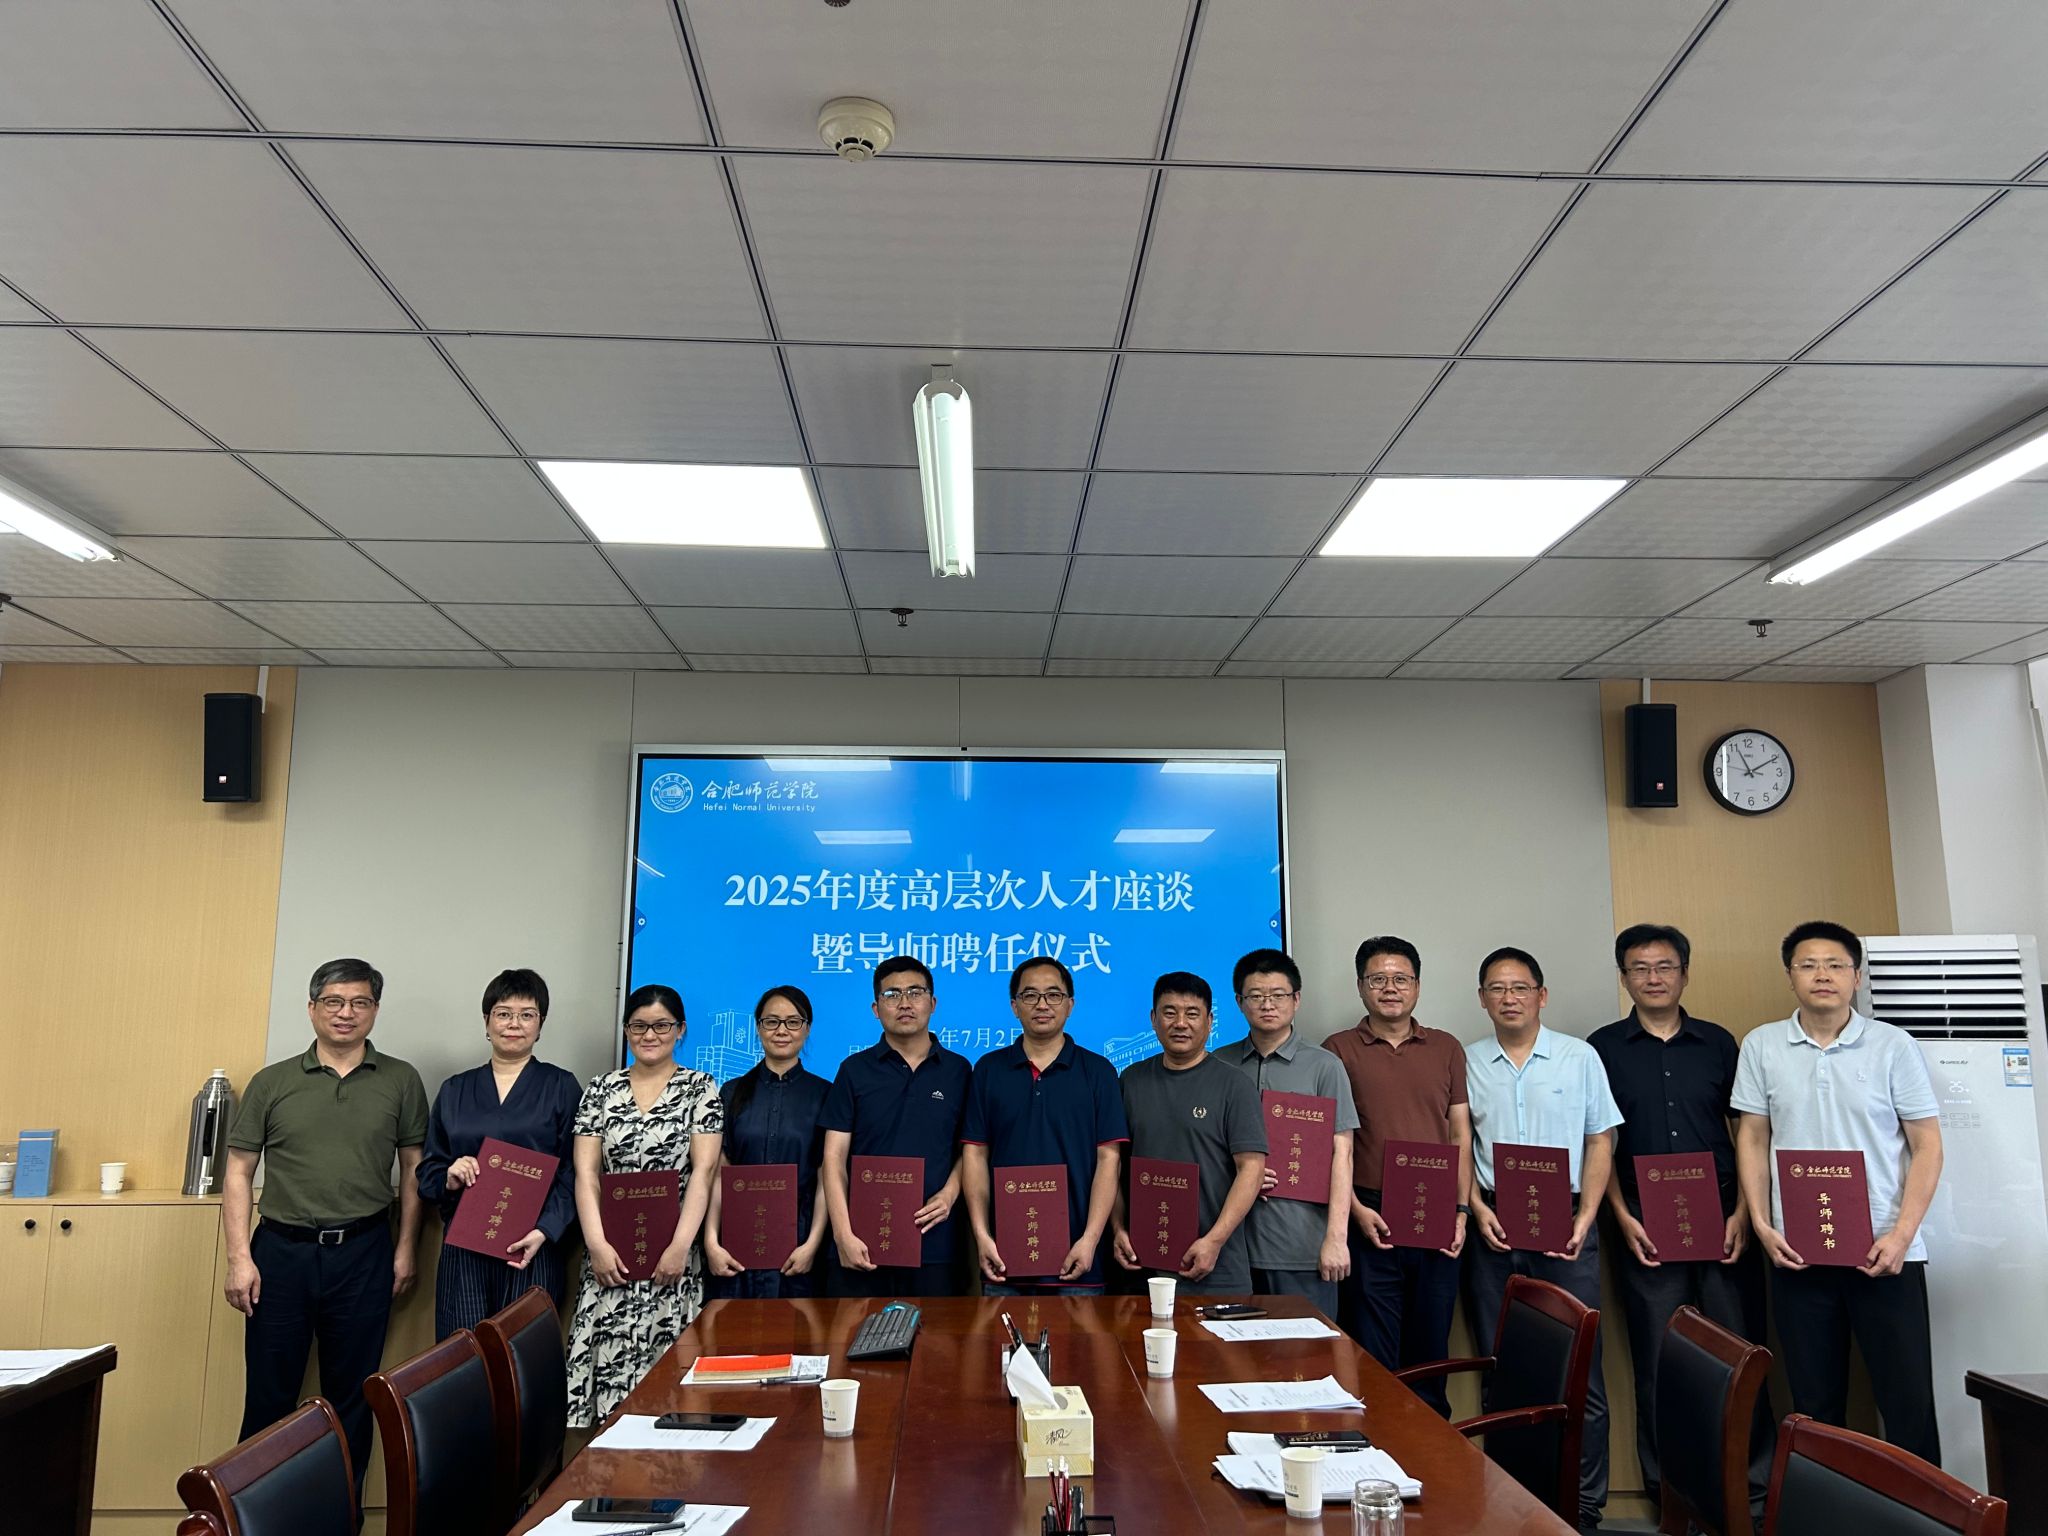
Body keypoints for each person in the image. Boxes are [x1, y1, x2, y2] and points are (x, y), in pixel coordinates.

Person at [1733, 921, 1944, 1463]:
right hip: (1797, 1250)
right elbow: (1752, 1138)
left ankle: (1920, 1509)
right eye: (1808, 965)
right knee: (1813, 1404)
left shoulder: (1893, 1045)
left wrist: (1902, 1235)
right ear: (1790, 976)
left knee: (1907, 1400)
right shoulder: (1762, 1045)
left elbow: (1927, 1145)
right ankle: (1821, 1505)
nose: (1821, 975)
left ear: (1856, 977)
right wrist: (1763, 1224)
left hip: (1885, 1250)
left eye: (1835, 965)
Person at [221, 957, 427, 1495]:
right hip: (280, 1255)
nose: (346, 1013)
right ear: (312, 1008)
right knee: (269, 1397)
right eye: (333, 1002)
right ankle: (256, 1518)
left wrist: (405, 1248)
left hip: (364, 1252)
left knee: (353, 1398)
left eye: (359, 1002)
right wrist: (240, 1258)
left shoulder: (401, 1080)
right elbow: (238, 1172)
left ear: (375, 1010)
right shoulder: (273, 1082)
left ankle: (341, 1517)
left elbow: (412, 1170)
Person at [1590, 924, 1772, 1509]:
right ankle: (1671, 1496)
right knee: (1658, 1359)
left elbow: (1747, 1133)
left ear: (1685, 974)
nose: (1653, 978)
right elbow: (1599, 1141)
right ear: (1624, 978)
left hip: (1723, 1215)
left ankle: (1752, 1492)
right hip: (1644, 1220)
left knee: (1739, 1354)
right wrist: (1621, 1216)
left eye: (1665, 966)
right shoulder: (1602, 1048)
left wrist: (1745, 1212)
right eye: (1640, 968)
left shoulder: (1719, 1044)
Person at [1464, 946, 1622, 1535]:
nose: (1509, 998)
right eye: (1497, 988)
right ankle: (1509, 1504)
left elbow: (1600, 1140)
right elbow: (1459, 1145)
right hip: (1494, 1224)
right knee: (1501, 1366)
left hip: (1568, 1223)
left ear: (1542, 995)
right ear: (1482, 998)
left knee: (1582, 1370)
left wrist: (1586, 1217)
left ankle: (1584, 1508)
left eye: (1521, 988)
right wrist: (1476, 1207)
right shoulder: (1467, 1061)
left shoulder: (1580, 1057)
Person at [1322, 936, 1471, 1415]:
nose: (1390, 988)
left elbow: (1460, 1133)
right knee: (1373, 1353)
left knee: (1429, 1349)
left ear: (1418, 986)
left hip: (1437, 1215)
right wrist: (1355, 1212)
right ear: (1361, 987)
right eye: (1378, 979)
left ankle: (1431, 1452)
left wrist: (1461, 1212)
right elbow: (1330, 1143)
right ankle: (1377, 1448)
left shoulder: (1446, 1047)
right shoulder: (1337, 1050)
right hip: (1370, 1215)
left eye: (1401, 979)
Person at [565, 984, 724, 1427]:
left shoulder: (700, 1088)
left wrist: (680, 1247)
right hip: (610, 1262)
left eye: (661, 1026)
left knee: (673, 1397)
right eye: (638, 1026)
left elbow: (704, 1172)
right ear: (626, 1030)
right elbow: (586, 1174)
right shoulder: (601, 1089)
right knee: (607, 1397)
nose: (649, 1035)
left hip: (673, 1263)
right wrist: (596, 1245)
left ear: (681, 1030)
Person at [416, 967, 582, 1340]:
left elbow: (574, 1170)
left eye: (527, 1015)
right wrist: (449, 1176)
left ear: (540, 1025)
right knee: (463, 1355)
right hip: (465, 1247)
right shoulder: (455, 1089)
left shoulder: (561, 1086)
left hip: (533, 1246)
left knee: (524, 1357)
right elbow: (428, 1172)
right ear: (487, 1021)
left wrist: (546, 1230)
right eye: (504, 1013)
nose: (514, 1024)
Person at [961, 956, 1129, 1296]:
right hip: (1003, 1262)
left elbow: (1109, 1160)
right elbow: (975, 1156)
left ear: (1070, 1005)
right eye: (1030, 995)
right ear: (1014, 1006)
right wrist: (982, 1235)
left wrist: (1090, 1240)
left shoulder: (1099, 1072)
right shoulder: (988, 1070)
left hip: (1079, 1263)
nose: (1042, 1004)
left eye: (1053, 995)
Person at [821, 956, 970, 1297]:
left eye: (915, 992)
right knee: (854, 1331)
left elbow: (971, 1150)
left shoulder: (959, 1071)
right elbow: (833, 1158)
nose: (904, 1003)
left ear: (933, 1003)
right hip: (861, 1243)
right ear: (876, 1009)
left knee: (937, 1332)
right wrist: (843, 1234)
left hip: (935, 1242)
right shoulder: (853, 1070)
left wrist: (949, 1194)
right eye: (892, 994)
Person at [1112, 971, 1267, 1295]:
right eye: (1169, 1013)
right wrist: (1118, 1228)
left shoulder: (1234, 1085)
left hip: (1215, 1266)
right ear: (1153, 1019)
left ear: (1210, 1022)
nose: (1180, 1023)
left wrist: (1214, 1241)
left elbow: (1251, 1168)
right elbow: (1114, 1164)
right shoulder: (1131, 1080)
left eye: (1192, 1014)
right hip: (1140, 1263)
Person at [1222, 947, 1357, 1317]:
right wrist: (1245, 1173)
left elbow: (1342, 1154)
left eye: (1278, 995)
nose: (1268, 1004)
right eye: (1256, 995)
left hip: (1302, 1248)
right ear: (1239, 1002)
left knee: (1306, 1349)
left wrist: (1336, 1238)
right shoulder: (1220, 1065)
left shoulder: (1325, 1067)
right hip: (1231, 1249)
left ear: (1296, 999)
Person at [703, 985, 831, 1298]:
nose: (781, 1030)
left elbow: (827, 1179)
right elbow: (719, 1174)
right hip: (736, 1242)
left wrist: (812, 1245)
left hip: (798, 1243)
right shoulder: (731, 1092)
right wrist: (711, 1241)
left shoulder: (826, 1094)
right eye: (771, 1021)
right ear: (758, 1028)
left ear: (807, 1028)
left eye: (793, 1022)